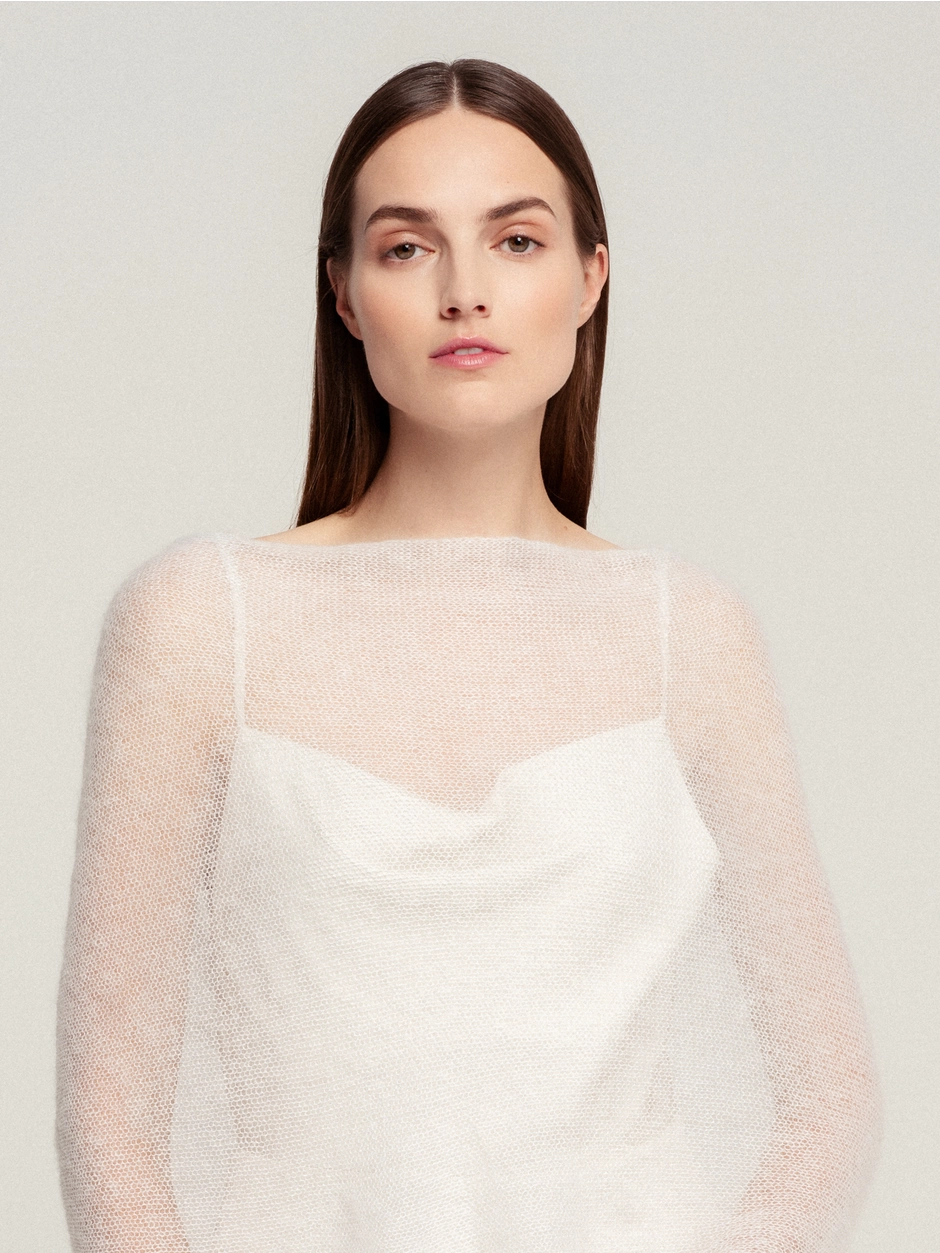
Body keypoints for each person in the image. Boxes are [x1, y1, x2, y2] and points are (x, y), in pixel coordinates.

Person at [56, 59, 880, 1253]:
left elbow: (827, 1095)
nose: (463, 293)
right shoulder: (198, 622)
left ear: (590, 278)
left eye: (515, 241)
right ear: (343, 294)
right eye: (406, 248)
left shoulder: (687, 631)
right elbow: (111, 1127)